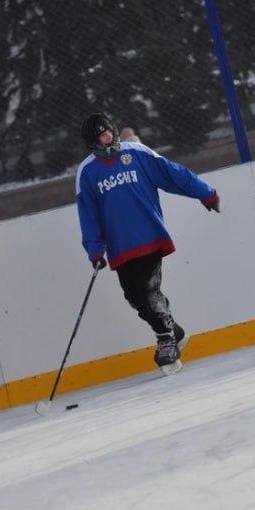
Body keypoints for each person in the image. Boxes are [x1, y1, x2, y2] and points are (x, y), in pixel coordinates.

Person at [76, 113, 221, 373]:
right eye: (101, 138)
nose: (107, 140)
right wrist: (95, 250)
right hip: (120, 246)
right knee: (134, 297)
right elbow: (88, 214)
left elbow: (173, 174)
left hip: (149, 235)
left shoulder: (137, 153)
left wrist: (205, 193)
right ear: (92, 144)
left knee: (148, 290)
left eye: (108, 133)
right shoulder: (87, 172)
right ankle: (175, 332)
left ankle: (166, 341)